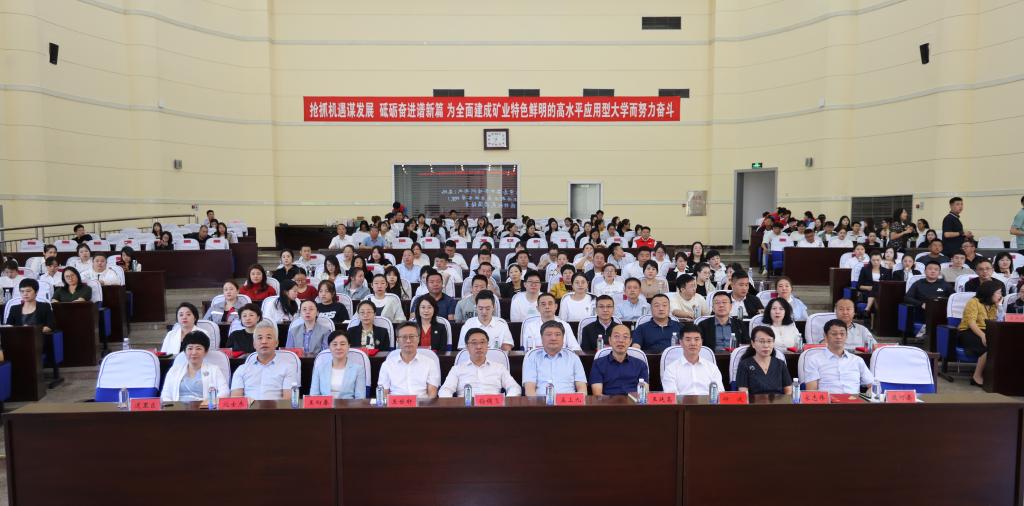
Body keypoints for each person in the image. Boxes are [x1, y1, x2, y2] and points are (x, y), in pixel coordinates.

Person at [439, 328, 521, 398]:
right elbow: (445, 390)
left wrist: (506, 402)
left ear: (487, 345)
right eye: (474, 343)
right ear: (467, 347)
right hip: (466, 408)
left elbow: (514, 387)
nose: (479, 346)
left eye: (482, 342)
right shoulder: (457, 369)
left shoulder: (499, 368)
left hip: (494, 407)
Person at [230, 319, 299, 400]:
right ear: (254, 344)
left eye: (269, 337)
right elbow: (236, 400)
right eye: (260, 338)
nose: (264, 341)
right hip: (249, 408)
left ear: (276, 343)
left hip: (277, 408)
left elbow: (288, 401)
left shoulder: (288, 368)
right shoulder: (241, 370)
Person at [804, 320, 874, 394]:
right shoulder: (813, 360)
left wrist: (867, 395)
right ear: (825, 336)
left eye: (842, 334)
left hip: (853, 399)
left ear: (846, 336)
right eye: (834, 334)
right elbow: (811, 391)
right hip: (828, 400)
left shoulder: (857, 360)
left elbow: (873, 385)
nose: (839, 337)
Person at [522, 321, 587, 395]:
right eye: (548, 334)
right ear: (541, 338)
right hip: (541, 401)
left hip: (568, 401)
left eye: (558, 334)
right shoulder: (532, 357)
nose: (553, 338)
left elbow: (582, 389)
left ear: (563, 338)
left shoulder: (573, 357)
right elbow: (530, 391)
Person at [161, 331, 229, 402]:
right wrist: (172, 406)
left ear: (205, 352)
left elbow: (225, 392)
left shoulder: (214, 370)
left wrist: (210, 403)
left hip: (204, 407)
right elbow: (165, 394)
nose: (194, 352)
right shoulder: (174, 370)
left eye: (198, 348)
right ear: (185, 351)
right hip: (178, 407)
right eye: (190, 348)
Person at [958, 280, 1003, 387]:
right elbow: (971, 323)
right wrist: (983, 336)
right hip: (969, 331)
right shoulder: (974, 302)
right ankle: (976, 376)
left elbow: (995, 322)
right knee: (991, 346)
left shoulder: (993, 305)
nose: (1000, 295)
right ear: (989, 292)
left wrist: (999, 306)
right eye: (998, 292)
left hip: (987, 331)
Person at [379, 323, 440, 399]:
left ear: (418, 339)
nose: (408, 341)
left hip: (422, 404)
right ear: (397, 340)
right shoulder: (387, 365)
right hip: (395, 404)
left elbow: (432, 393)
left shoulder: (430, 363)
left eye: (412, 336)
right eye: (404, 337)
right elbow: (383, 393)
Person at [662, 323, 723, 395]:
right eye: (688, 340)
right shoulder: (671, 369)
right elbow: (672, 396)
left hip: (708, 402)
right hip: (681, 402)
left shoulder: (712, 368)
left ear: (701, 342)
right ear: (681, 342)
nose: (693, 343)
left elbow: (720, 393)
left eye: (697, 339)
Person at [589, 323, 649, 396]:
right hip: (607, 402)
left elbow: (644, 394)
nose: (621, 340)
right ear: (610, 340)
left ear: (630, 341)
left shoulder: (640, 364)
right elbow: (597, 395)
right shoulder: (598, 363)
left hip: (633, 402)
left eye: (625, 337)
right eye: (616, 336)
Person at [736, 326, 794, 395]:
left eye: (769, 341)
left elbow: (788, 391)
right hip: (753, 402)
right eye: (761, 341)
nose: (766, 345)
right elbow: (743, 393)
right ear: (753, 343)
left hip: (778, 401)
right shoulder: (744, 364)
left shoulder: (780, 364)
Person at [857, 251, 892, 315]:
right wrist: (869, 287)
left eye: (878, 260)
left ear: (881, 260)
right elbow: (858, 286)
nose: (876, 262)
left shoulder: (886, 271)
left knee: (876, 290)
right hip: (867, 293)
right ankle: (878, 316)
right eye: (873, 260)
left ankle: (867, 309)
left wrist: (875, 288)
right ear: (870, 260)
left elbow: (887, 286)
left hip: (881, 293)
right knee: (875, 291)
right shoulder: (864, 269)